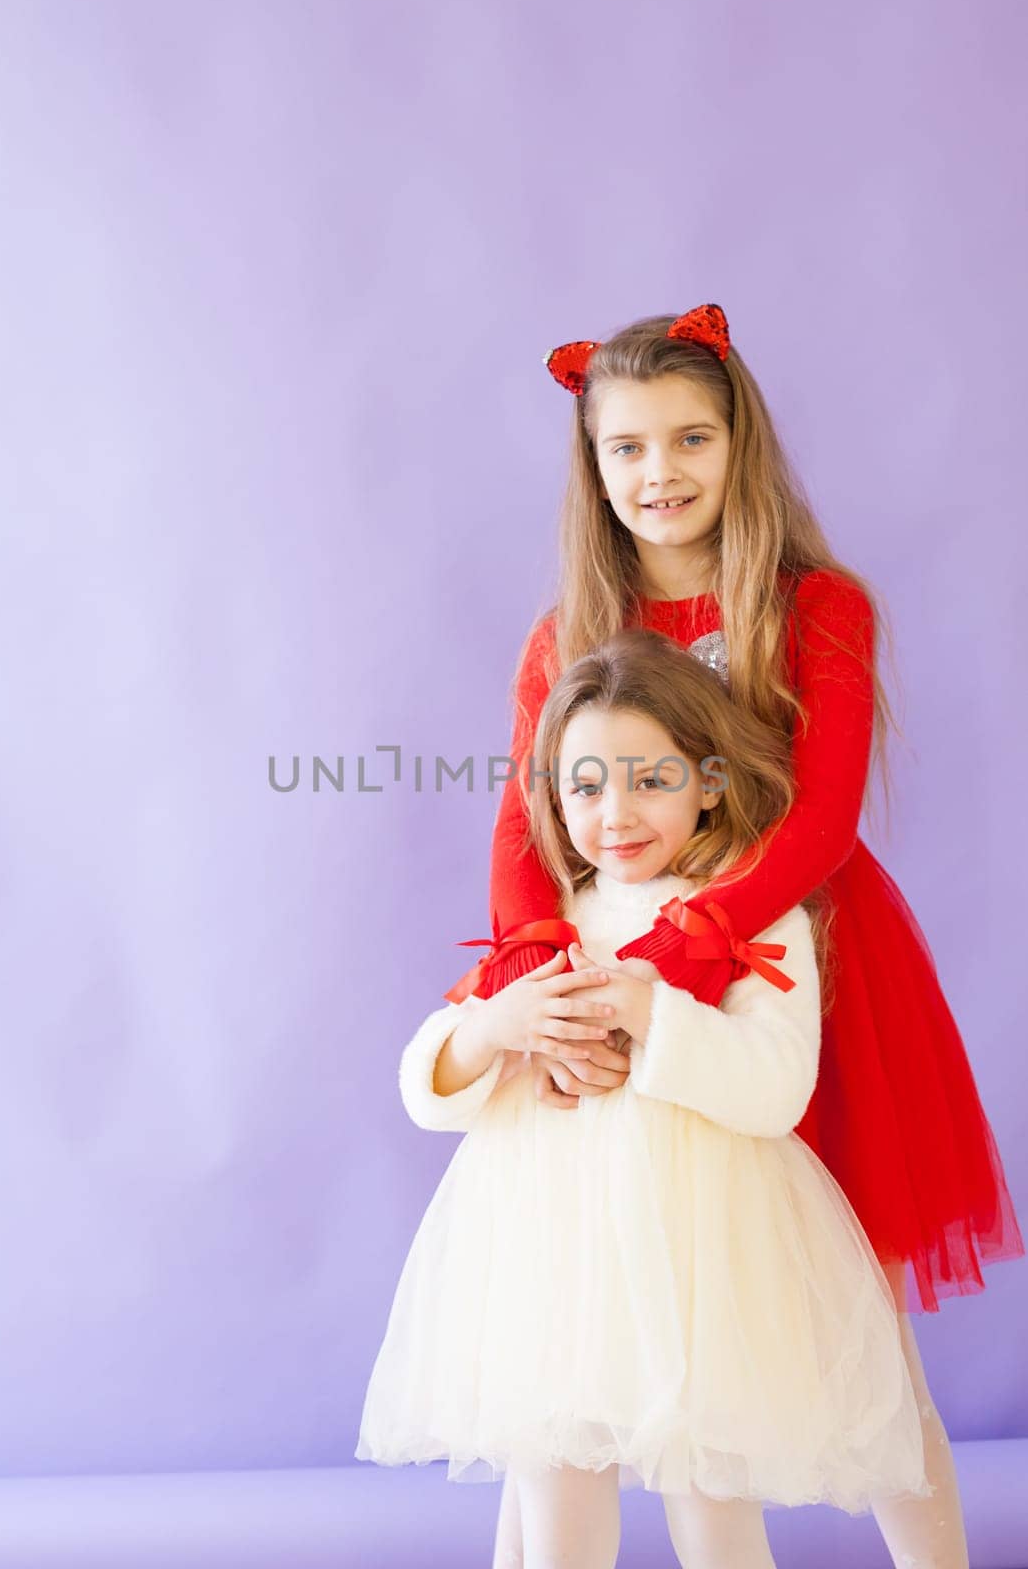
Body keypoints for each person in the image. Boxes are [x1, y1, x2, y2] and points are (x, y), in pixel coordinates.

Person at [447, 305, 1022, 1569]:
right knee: (573, 1325)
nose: (660, 473)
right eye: (627, 448)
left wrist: (687, 946)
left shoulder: (813, 605)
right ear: (592, 467)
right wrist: (547, 977)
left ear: (737, 442)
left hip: (784, 966)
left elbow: (816, 819)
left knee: (858, 1315)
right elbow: (519, 828)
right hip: (612, 982)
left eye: (689, 438)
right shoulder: (566, 637)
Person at [356, 630, 931, 1569]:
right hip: (552, 1268)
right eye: (584, 786)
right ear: (551, 795)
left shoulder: (752, 916)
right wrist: (498, 1029)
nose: (614, 813)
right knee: (556, 1504)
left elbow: (775, 1089)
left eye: (648, 780)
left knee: (712, 1505)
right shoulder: (548, 933)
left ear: (707, 780)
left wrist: (649, 1014)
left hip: (701, 1263)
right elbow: (431, 1087)